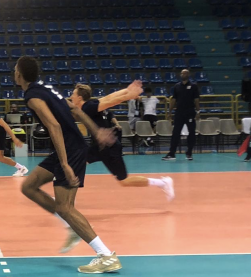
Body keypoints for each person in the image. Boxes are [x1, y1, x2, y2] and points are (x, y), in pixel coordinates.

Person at [14, 57, 122, 274]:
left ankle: (106, 255)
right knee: (28, 187)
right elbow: (73, 108)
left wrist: (64, 163)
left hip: (69, 150)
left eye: (15, 70)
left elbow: (53, 125)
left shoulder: (33, 97)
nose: (13, 73)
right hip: (69, 147)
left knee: (65, 206)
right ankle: (68, 225)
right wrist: (95, 130)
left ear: (20, 75)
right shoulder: (45, 88)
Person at [68, 83, 175, 250]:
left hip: (109, 147)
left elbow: (111, 102)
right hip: (99, 146)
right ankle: (65, 201)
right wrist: (126, 90)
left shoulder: (88, 107)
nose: (71, 97)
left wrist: (128, 95)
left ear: (80, 98)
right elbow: (110, 97)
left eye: (73, 95)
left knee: (124, 181)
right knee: (76, 163)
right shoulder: (91, 105)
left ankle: (163, 182)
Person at [162, 69, 200, 161]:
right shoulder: (177, 86)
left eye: (186, 73)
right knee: (175, 133)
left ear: (188, 74)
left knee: (191, 133)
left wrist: (198, 112)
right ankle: (172, 154)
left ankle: (189, 153)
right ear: (180, 74)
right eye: (182, 73)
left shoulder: (193, 86)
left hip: (190, 112)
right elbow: (173, 99)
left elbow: (196, 100)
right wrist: (169, 112)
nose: (184, 74)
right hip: (179, 113)